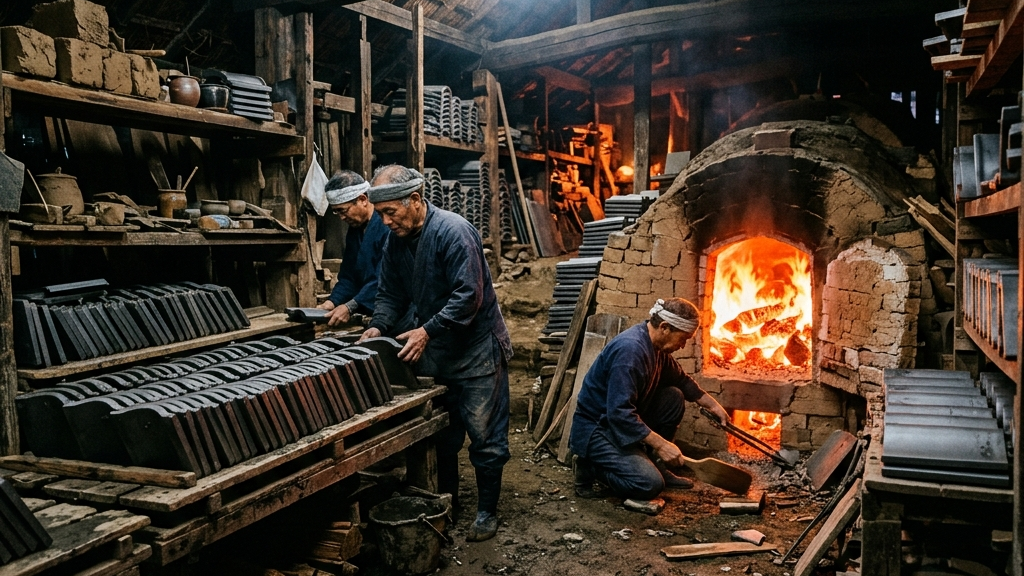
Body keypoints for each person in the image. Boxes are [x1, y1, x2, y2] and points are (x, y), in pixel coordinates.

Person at [359, 164, 512, 542]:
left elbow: (469, 297)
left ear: (414, 200)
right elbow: (391, 293)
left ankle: (486, 511)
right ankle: (450, 500)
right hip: (439, 350)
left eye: (389, 212)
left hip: (476, 350)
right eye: (379, 214)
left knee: (485, 436)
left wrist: (426, 330)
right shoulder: (395, 241)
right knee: (445, 434)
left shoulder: (454, 232)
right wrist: (378, 326)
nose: (385, 221)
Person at [569, 297, 731, 501]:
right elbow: (619, 413)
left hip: (620, 423)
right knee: (648, 484)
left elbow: (682, 381)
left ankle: (657, 464)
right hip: (599, 428)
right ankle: (590, 467)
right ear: (665, 327)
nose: (682, 346)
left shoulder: (656, 347)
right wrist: (662, 445)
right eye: (683, 339)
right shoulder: (630, 352)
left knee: (673, 396)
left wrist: (714, 406)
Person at [316, 170, 389, 328]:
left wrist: (351, 306)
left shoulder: (387, 226)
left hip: (392, 310)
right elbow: (349, 276)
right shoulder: (355, 230)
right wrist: (332, 301)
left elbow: (383, 278)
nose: (341, 217)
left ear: (363, 199)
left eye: (343, 210)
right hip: (369, 306)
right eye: (336, 212)